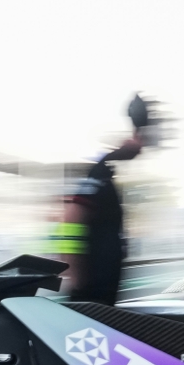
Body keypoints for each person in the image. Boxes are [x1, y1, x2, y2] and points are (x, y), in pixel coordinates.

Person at [55, 94, 157, 306]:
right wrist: (74, 274)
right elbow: (70, 220)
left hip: (104, 291)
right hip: (91, 294)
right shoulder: (98, 175)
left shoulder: (106, 179)